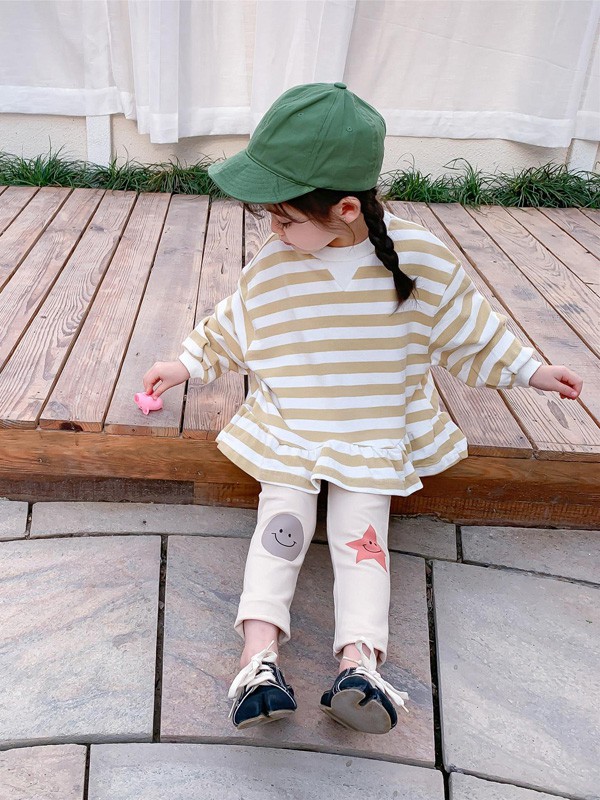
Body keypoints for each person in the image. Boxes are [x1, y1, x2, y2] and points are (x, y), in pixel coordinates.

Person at [143, 82, 583, 735]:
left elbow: (470, 328)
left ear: (346, 208)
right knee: (281, 528)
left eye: (286, 219)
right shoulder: (277, 263)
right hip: (293, 426)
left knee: (363, 539)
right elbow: (238, 322)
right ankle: (257, 660)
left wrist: (531, 371)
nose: (275, 230)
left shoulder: (419, 260)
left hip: (373, 431)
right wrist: (186, 364)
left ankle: (360, 664)